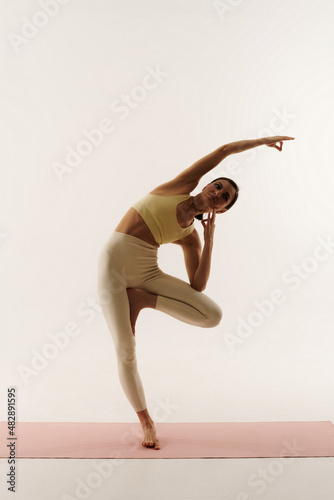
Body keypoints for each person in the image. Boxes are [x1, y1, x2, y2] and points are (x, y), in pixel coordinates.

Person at [97, 135, 294, 450]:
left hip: (147, 274)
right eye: (217, 186)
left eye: (225, 197)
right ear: (206, 186)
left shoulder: (190, 237)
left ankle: (143, 300)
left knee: (212, 315)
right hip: (113, 267)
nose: (218, 193)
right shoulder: (178, 187)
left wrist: (209, 240)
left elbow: (197, 286)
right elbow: (224, 150)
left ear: (223, 209)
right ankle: (146, 421)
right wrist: (265, 141)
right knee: (125, 348)